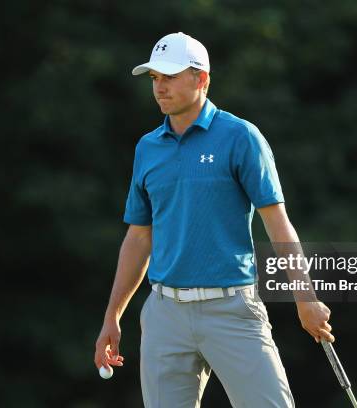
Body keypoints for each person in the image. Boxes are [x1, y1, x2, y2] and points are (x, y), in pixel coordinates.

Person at [94, 32, 334, 407]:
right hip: (164, 315)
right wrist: (113, 316)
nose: (160, 87)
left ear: (201, 79)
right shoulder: (148, 148)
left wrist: (305, 297)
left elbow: (278, 223)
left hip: (232, 311)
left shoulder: (240, 137)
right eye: (155, 78)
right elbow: (139, 237)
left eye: (170, 77)